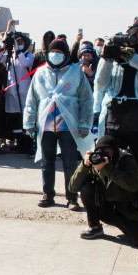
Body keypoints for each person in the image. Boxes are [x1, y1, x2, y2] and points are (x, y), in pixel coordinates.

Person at [93, 24, 138, 203]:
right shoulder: (115, 58)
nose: (137, 42)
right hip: (115, 113)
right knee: (111, 157)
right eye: (134, 39)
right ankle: (111, 198)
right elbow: (101, 84)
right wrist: (106, 58)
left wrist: (132, 57)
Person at [23, 38, 93, 209]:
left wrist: (85, 123)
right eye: (53, 52)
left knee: (70, 163)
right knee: (47, 161)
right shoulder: (41, 72)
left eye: (59, 52)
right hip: (46, 123)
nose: (55, 55)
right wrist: (29, 122)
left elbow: (86, 99)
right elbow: (32, 99)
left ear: (66, 54)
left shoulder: (76, 72)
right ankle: (48, 194)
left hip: (68, 124)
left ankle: (72, 197)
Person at [69, 135, 138, 246]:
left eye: (107, 151)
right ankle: (94, 226)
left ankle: (130, 227)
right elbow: (72, 187)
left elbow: (132, 185)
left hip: (126, 209)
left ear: (114, 150)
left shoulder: (126, 160)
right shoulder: (95, 160)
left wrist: (106, 168)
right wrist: (84, 165)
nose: (103, 154)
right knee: (86, 188)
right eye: (100, 150)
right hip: (105, 207)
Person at [0, 29, 35, 153]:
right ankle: (19, 142)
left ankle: (28, 143)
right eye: (17, 41)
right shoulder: (10, 56)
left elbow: (26, 64)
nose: (18, 43)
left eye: (20, 41)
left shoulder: (28, 55)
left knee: (25, 118)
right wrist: (5, 46)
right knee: (15, 120)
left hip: (23, 92)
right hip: (12, 93)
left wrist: (18, 52)